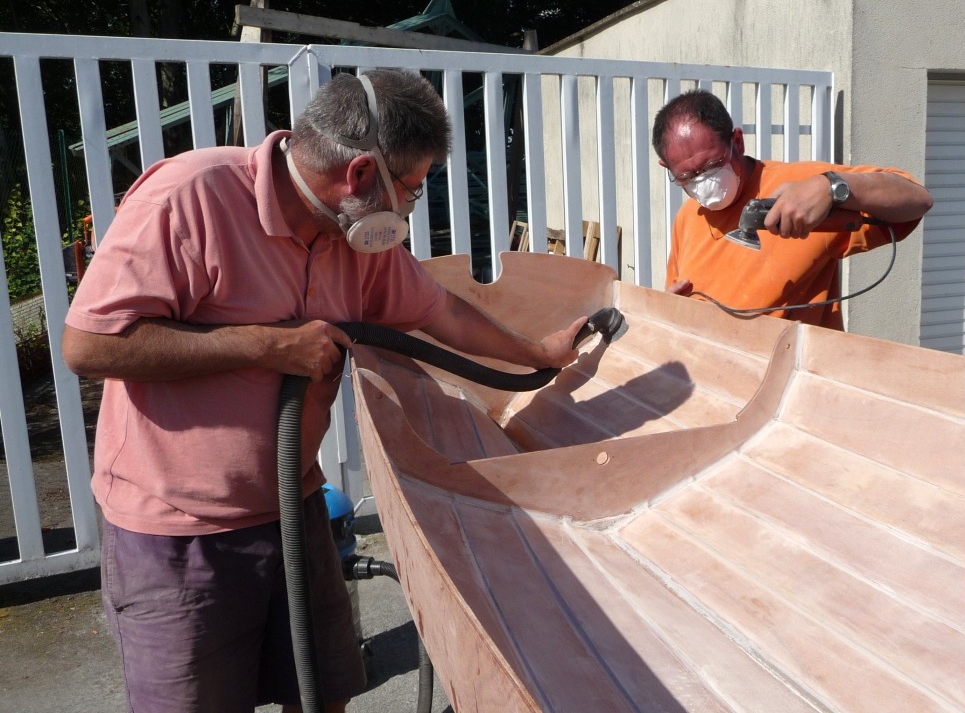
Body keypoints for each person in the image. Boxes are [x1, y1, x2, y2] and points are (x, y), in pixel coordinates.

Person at [61, 69, 586, 713]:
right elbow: (91, 345)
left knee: (324, 695)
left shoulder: (351, 235)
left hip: (295, 507)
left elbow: (437, 314)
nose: (412, 208)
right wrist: (265, 344)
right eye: (414, 189)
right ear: (360, 174)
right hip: (178, 534)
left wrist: (539, 354)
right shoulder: (190, 197)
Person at [651, 89, 933, 329]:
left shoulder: (800, 188)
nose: (705, 183)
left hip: (797, 380)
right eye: (688, 176)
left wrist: (831, 188)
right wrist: (671, 309)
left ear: (737, 142)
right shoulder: (687, 217)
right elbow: (676, 292)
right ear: (667, 167)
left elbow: (917, 199)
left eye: (713, 165)